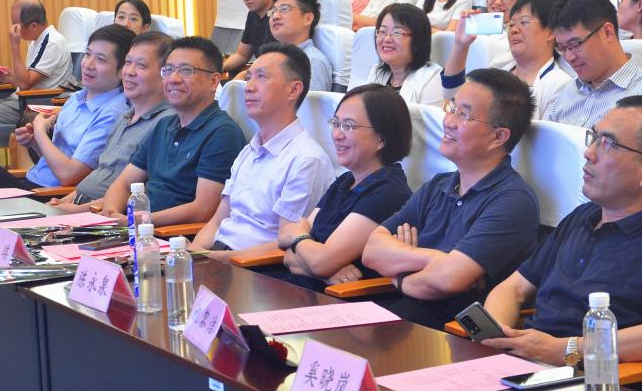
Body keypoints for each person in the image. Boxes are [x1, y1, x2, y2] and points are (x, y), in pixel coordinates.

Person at [481, 96, 642, 365]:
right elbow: (512, 288)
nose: (589, 153)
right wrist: (499, 336)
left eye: (608, 144)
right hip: (525, 361)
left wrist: (567, 349)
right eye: (594, 137)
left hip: (594, 376)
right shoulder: (582, 216)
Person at [362, 68, 540, 329]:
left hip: (450, 332)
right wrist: (434, 259)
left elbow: (448, 280)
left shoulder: (513, 201)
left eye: (463, 114)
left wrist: (398, 275)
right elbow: (371, 250)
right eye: (451, 107)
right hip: (402, 314)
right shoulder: (438, 185)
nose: (448, 121)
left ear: (498, 136)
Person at [192, 44, 334, 259]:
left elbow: (287, 243)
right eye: (249, 77)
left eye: (261, 77)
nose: (248, 87)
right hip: (218, 258)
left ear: (294, 89)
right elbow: (216, 222)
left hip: (256, 270)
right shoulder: (249, 151)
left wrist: (210, 259)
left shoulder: (306, 160)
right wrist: (192, 256)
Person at [275, 84, 413, 291]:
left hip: (341, 302)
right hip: (303, 290)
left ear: (381, 139)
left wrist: (299, 238)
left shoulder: (388, 192)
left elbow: (316, 258)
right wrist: (324, 272)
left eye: (348, 126)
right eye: (335, 123)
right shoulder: (346, 181)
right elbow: (287, 253)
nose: (337, 135)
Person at [101, 36, 246, 226]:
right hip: (136, 228)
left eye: (186, 70)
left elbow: (203, 210)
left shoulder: (222, 133)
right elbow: (124, 184)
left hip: (172, 236)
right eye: (168, 70)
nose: (173, 79)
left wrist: (136, 221)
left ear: (213, 81)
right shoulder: (164, 125)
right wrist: (111, 214)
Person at [0, 24, 132, 190]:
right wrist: (35, 142)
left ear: (122, 70)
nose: (88, 64)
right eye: (87, 54)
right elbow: (54, 162)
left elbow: (68, 175)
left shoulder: (113, 114)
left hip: (53, 196)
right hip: (34, 183)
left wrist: (40, 132)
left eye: (101, 59)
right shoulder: (76, 99)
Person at [49, 31, 175, 211]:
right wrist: (63, 202)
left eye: (141, 65)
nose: (129, 72)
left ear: (165, 74)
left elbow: (140, 195)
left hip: (105, 216)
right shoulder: (124, 117)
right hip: (78, 206)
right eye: (128, 63)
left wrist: (73, 211)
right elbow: (100, 174)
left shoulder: (166, 124)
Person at [543, 0, 642, 126]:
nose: (569, 57)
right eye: (562, 48)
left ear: (607, 33)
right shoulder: (566, 92)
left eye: (575, 44)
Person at [443, 0, 572, 119]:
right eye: (511, 24)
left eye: (524, 22)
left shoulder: (559, 85)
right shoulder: (500, 64)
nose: (514, 30)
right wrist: (460, 45)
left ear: (550, 32)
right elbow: (453, 99)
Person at [0, 0, 73, 145]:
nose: (13, 29)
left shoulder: (52, 42)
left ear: (33, 26)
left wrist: (14, 46)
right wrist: (12, 78)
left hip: (34, 105)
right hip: (23, 99)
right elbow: (26, 82)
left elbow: (26, 84)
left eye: (16, 25)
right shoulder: (36, 41)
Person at [364, 4, 443, 107]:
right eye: (382, 31)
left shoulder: (431, 79)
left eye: (397, 32)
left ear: (418, 41)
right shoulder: (376, 72)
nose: (387, 39)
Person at [267, 0, 333, 92]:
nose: (275, 16)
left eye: (284, 9)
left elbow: (309, 102)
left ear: (308, 19)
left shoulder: (313, 61)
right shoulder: (271, 57)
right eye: (273, 11)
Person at [222, 0, 276, 75]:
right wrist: (216, 69)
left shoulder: (280, 16)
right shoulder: (252, 15)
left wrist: (244, 75)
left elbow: (277, 62)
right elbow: (241, 55)